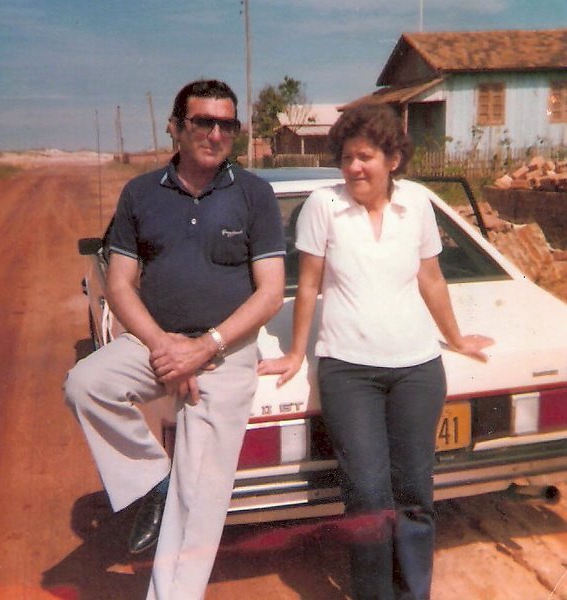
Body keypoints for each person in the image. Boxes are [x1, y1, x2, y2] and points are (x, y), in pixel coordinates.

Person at [258, 103, 493, 600]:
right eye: (346, 157)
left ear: (393, 160)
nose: (354, 167)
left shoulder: (418, 205)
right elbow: (309, 285)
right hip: (349, 372)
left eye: (364, 157)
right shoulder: (323, 205)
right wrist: (296, 353)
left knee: (414, 493)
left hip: (417, 370)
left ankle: (413, 593)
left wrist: (455, 338)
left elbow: (431, 278)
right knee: (366, 496)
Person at [64, 79, 285, 600]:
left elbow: (271, 292)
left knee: (198, 501)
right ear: (175, 127)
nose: (215, 133)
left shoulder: (254, 194)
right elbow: (120, 284)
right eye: (203, 121)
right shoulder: (140, 194)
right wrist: (165, 347)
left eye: (226, 124)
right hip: (154, 343)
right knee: (86, 384)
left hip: (224, 353)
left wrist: (204, 347)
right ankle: (150, 481)